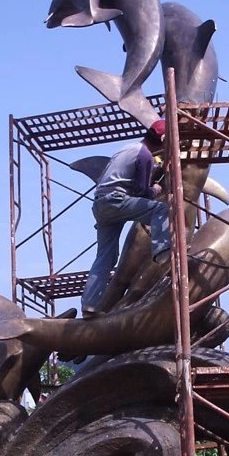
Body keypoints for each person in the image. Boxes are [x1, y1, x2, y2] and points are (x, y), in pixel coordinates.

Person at [81, 119, 170, 317]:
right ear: (163, 140)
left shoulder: (128, 148)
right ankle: (164, 254)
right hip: (116, 200)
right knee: (161, 210)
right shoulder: (145, 156)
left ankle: (89, 306)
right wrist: (155, 188)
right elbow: (141, 192)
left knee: (106, 257)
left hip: (100, 204)